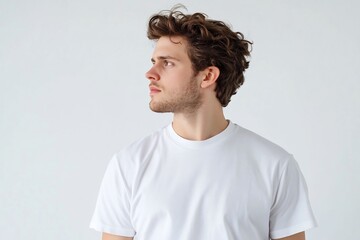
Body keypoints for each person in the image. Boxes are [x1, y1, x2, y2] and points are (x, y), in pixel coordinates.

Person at [90, 6, 317, 240]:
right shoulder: (129, 164)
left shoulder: (274, 165)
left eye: (167, 63)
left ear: (207, 76)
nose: (150, 73)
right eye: (153, 61)